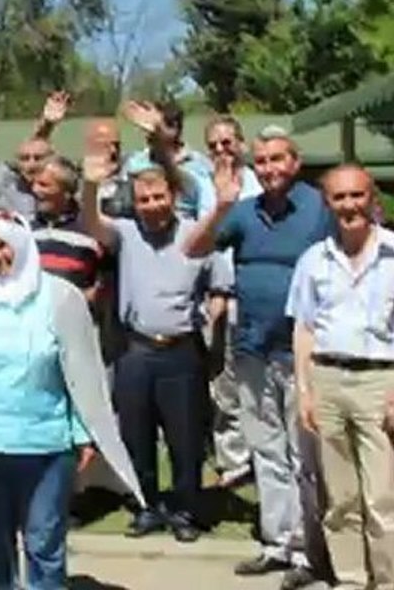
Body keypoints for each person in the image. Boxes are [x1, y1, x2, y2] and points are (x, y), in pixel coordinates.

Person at [0, 210, 142, 590]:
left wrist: (82, 433)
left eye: (2, 245)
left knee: (44, 543)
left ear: (21, 244)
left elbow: (78, 369)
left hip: (48, 447)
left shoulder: (58, 297)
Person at [183, 126, 334, 582]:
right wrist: (222, 205)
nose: (269, 168)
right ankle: (277, 543)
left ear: (295, 162)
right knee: (266, 451)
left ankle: (308, 550)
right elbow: (193, 248)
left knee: (303, 455)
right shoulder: (244, 211)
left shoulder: (319, 207)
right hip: (252, 348)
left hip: (302, 352)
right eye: (262, 161)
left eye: (277, 159)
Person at [82, 157, 232, 543]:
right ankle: (147, 507)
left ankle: (184, 510)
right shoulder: (126, 232)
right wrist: (90, 185)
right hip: (136, 349)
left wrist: (213, 337)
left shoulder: (195, 234)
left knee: (185, 438)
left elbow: (219, 287)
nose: (151, 205)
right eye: (143, 199)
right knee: (136, 435)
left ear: (173, 197)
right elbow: (92, 223)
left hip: (182, 350)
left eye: (158, 197)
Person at [287, 164, 393, 590]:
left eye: (356, 195)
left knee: (382, 497)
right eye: (339, 197)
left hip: (380, 382)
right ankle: (350, 579)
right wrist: (305, 391)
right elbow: (304, 329)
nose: (349, 205)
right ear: (327, 204)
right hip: (327, 379)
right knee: (340, 498)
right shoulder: (313, 260)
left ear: (372, 198)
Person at [201, 115, 262, 489]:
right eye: (214, 145)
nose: (222, 150)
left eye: (228, 142)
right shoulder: (201, 185)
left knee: (257, 380)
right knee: (221, 382)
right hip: (212, 295)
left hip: (251, 295)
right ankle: (234, 461)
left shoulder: (259, 183)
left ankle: (263, 455)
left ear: (241, 143)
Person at [123, 100, 213, 220]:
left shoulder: (199, 165)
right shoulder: (135, 163)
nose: (148, 133)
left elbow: (207, 211)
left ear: (174, 127)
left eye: (157, 126)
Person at [31, 156, 101, 297]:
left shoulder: (90, 232)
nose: (35, 190)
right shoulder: (26, 229)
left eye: (44, 185)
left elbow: (102, 286)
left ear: (66, 192)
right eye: (34, 184)